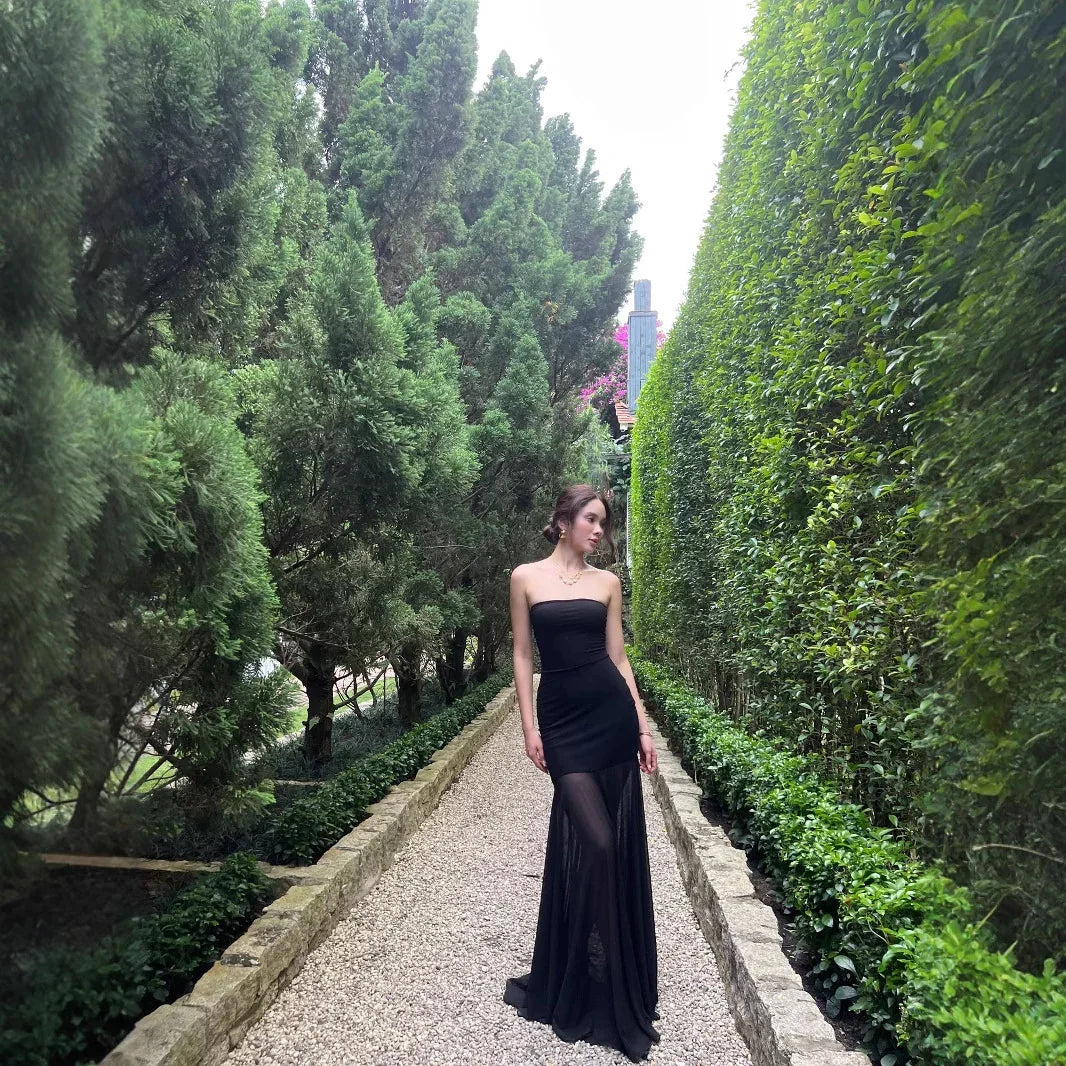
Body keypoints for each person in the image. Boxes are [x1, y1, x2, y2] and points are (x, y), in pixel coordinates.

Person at [503, 483, 662, 1062]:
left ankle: (617, 983)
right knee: (595, 842)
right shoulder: (525, 577)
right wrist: (529, 728)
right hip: (563, 722)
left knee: (608, 844)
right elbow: (523, 654)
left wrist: (642, 726)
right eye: (591, 520)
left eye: (604, 523)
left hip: (611, 718)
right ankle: (592, 969)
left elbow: (619, 658)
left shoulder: (608, 585)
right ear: (565, 519)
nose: (599, 530)